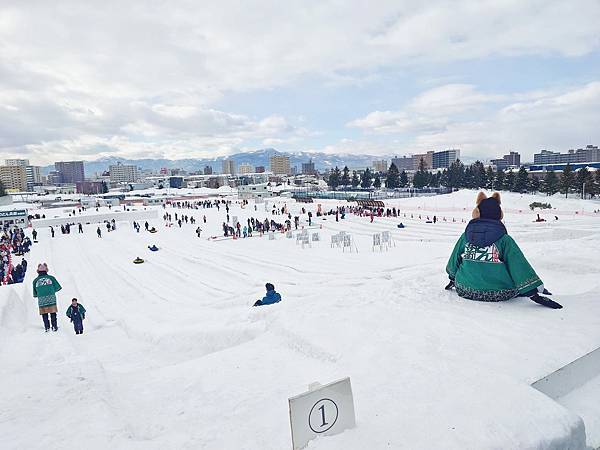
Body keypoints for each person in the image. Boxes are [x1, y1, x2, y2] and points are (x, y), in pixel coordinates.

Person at [445, 192, 562, 309]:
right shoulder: (504, 240)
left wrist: (452, 278)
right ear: (499, 215)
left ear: (477, 213)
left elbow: (454, 260)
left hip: (465, 289)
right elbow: (518, 266)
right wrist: (533, 292)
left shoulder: (465, 236)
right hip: (499, 293)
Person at [32, 263, 63, 331]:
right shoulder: (51, 278)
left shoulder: (35, 281)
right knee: (53, 312)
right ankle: (54, 326)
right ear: (46, 270)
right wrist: (51, 290)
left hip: (41, 299)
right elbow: (58, 288)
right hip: (51, 297)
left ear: (38, 271)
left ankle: (47, 327)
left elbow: (35, 293)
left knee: (44, 313)